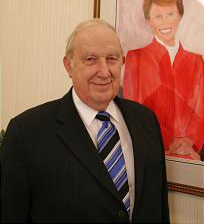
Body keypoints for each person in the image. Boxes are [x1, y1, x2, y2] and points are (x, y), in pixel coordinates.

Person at [1, 19, 170, 223]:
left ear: (122, 62)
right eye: (90, 59)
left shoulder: (146, 120)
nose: (104, 71)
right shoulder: (26, 133)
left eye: (112, 59)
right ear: (68, 66)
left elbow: (159, 208)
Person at [123, 0, 204, 161]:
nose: (166, 22)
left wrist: (189, 142)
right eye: (158, 16)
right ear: (148, 20)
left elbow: (201, 109)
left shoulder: (196, 61)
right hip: (149, 150)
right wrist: (168, 142)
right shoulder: (135, 58)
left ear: (180, 15)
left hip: (189, 154)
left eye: (170, 14)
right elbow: (133, 109)